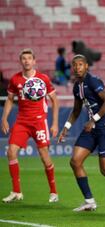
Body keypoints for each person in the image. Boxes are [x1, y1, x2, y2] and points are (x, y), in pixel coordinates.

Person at [57, 54, 105, 212]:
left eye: (80, 64)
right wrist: (66, 127)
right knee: (75, 161)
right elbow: (76, 110)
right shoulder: (77, 86)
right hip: (91, 128)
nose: (77, 67)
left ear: (86, 66)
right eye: (74, 65)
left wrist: (93, 119)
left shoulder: (93, 80)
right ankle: (89, 201)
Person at [1, 48, 59, 203]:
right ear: (21, 61)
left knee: (45, 157)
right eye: (24, 58)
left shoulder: (43, 79)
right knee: (11, 152)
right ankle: (16, 191)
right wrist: (4, 118)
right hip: (22, 121)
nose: (26, 61)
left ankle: (54, 192)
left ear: (34, 61)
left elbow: (55, 100)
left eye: (29, 58)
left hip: (39, 121)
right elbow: (9, 99)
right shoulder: (15, 79)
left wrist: (54, 123)